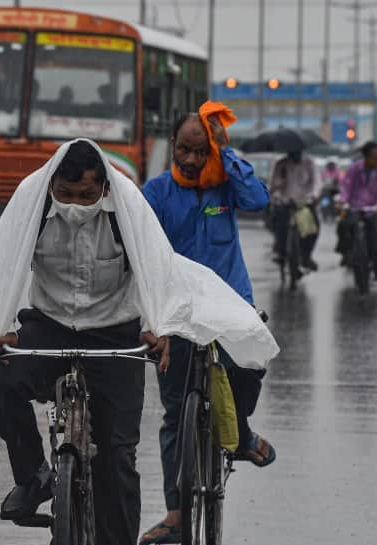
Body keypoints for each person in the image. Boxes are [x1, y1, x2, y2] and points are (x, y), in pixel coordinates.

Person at [0, 138, 278, 545]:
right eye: (65, 194)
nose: (75, 204)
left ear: (104, 188)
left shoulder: (127, 208)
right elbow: (1, 266)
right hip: (48, 324)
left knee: (118, 457)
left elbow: (155, 270)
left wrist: (157, 326)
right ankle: (34, 474)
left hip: (116, 331)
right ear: (51, 185)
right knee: (0, 387)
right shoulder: (31, 205)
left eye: (86, 195)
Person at [139, 105, 274, 545]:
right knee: (176, 414)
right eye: (184, 149)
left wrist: (227, 154)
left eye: (201, 150)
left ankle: (240, 432)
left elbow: (259, 200)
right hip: (175, 311)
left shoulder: (226, 188)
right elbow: (140, 253)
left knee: (250, 366)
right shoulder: (156, 192)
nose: (192, 160)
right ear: (171, 147)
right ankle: (177, 515)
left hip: (229, 304)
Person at [335, 141, 377, 281]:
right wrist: (343, 201)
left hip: (373, 208)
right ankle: (345, 253)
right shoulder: (354, 168)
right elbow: (346, 186)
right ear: (365, 157)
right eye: (374, 157)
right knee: (343, 226)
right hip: (354, 206)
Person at [270, 148, 322, 270]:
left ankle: (306, 257)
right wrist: (280, 183)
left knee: (313, 229)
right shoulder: (281, 164)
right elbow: (273, 185)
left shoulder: (309, 163)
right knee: (277, 224)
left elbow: (317, 182)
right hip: (285, 203)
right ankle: (280, 252)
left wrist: (314, 195)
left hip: (304, 203)